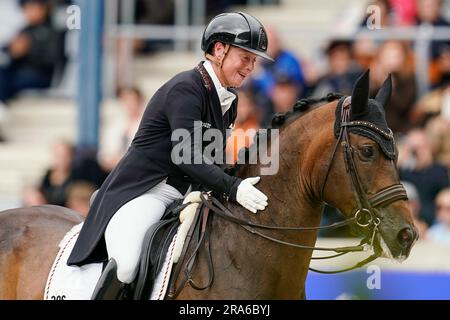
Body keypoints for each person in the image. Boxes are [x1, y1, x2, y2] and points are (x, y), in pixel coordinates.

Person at [67, 12, 272, 299]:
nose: (251, 67)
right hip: (147, 191)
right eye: (245, 57)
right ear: (218, 50)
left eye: (254, 60)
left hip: (188, 195)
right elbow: (185, 154)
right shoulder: (185, 87)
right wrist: (233, 188)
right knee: (126, 265)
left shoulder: (229, 98)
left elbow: (215, 158)